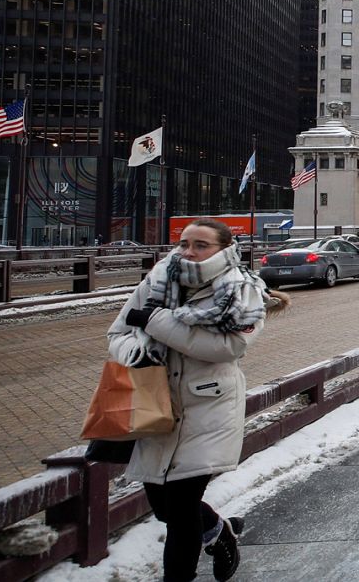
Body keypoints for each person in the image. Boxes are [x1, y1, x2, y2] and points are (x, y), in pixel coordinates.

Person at [106, 218, 290, 582]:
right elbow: (117, 334)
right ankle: (219, 531)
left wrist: (156, 325)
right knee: (164, 507)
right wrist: (138, 353)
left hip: (209, 408)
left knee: (182, 506)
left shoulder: (242, 291)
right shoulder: (158, 280)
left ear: (225, 249)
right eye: (184, 243)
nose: (189, 251)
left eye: (201, 245)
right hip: (155, 406)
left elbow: (227, 347)